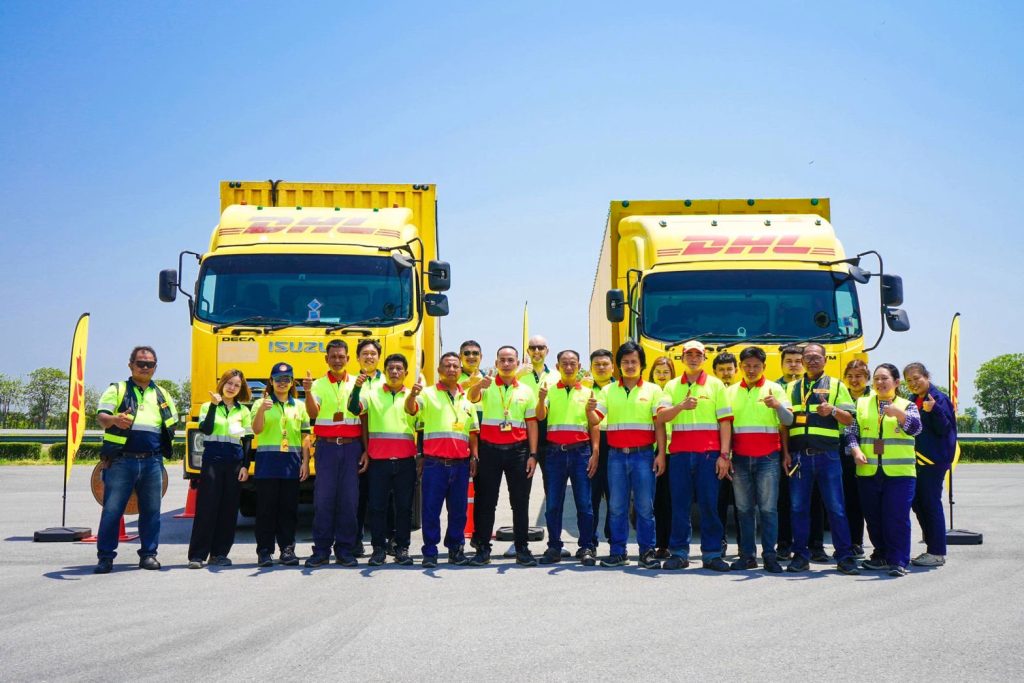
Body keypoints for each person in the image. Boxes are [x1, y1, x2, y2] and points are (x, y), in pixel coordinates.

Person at [93, 346, 179, 574]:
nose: (145, 367)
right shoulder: (117, 389)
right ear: (130, 365)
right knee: (112, 511)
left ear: (155, 367)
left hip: (152, 462)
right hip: (121, 461)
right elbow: (101, 417)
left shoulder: (162, 394)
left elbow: (172, 423)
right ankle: (105, 557)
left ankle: (149, 555)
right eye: (140, 363)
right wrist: (114, 419)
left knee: (152, 512)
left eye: (150, 364)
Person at [783, 343, 860, 575]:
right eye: (808, 357)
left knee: (836, 508)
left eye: (817, 357)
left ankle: (844, 556)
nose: (812, 360)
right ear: (802, 361)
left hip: (828, 456)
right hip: (799, 456)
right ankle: (800, 556)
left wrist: (834, 410)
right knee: (798, 508)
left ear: (826, 360)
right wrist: (785, 453)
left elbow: (850, 420)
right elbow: (784, 424)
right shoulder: (791, 387)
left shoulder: (837, 385)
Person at [655, 341, 733, 572]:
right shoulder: (672, 386)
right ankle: (679, 553)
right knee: (680, 506)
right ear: (681, 358)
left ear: (704, 358)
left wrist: (724, 455)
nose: (693, 358)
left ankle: (712, 554)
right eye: (688, 355)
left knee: (710, 505)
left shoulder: (715, 385)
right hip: (679, 455)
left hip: (708, 456)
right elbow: (661, 417)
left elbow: (725, 423)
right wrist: (680, 406)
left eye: (697, 355)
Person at [593, 341, 666, 569]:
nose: (630, 365)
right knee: (616, 507)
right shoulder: (608, 391)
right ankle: (618, 552)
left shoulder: (653, 390)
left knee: (645, 507)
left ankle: (647, 552)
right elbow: (595, 419)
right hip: (616, 456)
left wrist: (661, 454)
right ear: (619, 365)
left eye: (634, 361)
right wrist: (588, 410)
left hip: (643, 455)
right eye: (625, 362)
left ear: (642, 364)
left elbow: (660, 425)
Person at [846, 363, 923, 577]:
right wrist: (855, 450)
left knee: (896, 517)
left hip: (899, 474)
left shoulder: (907, 405)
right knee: (874, 518)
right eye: (877, 379)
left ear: (896, 382)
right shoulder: (862, 403)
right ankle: (880, 554)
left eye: (885, 378)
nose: (880, 383)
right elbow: (851, 431)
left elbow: (916, 429)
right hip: (868, 471)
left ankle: (898, 560)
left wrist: (899, 414)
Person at [405, 353, 480, 567]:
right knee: (431, 510)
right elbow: (411, 410)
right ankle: (430, 552)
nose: (452, 369)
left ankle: (456, 549)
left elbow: (473, 432)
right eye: (447, 366)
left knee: (458, 511)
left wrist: (474, 456)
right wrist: (412, 396)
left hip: (461, 464)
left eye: (455, 366)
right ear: (439, 370)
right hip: (435, 464)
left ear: (460, 370)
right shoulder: (427, 394)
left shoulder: (467, 399)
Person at [467, 346, 540, 566]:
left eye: (510, 360)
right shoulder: (487, 384)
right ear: (496, 363)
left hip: (518, 452)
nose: (506, 364)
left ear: (517, 363)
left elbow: (532, 424)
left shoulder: (526, 391)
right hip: (489, 451)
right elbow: (472, 397)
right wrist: (478, 385)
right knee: (486, 502)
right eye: (502, 360)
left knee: (520, 502)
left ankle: (522, 549)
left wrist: (533, 454)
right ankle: (483, 549)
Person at [726, 346, 793, 573]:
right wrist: (726, 455)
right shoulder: (730, 391)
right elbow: (724, 426)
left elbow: (788, 421)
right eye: (747, 365)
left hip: (768, 459)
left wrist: (777, 405)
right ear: (740, 367)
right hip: (740, 458)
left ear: (764, 367)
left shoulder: (776, 389)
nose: (751, 369)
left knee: (768, 510)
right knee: (744, 510)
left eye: (756, 366)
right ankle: (747, 556)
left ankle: (770, 556)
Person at [349, 353, 416, 567]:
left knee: (404, 508)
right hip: (379, 462)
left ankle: (402, 548)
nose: (395, 372)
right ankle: (378, 549)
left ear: (406, 372)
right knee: (377, 507)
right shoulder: (371, 394)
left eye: (399, 368)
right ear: (385, 372)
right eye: (391, 369)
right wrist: (356, 388)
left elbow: (422, 427)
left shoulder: (413, 397)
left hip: (406, 461)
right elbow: (353, 409)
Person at [535, 349, 602, 566]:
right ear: (557, 367)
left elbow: (594, 424)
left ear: (579, 366)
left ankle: (586, 546)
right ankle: (554, 546)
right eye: (564, 363)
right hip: (555, 453)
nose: (569, 367)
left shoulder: (588, 392)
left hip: (581, 452)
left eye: (573, 363)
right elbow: (540, 416)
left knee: (584, 503)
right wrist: (541, 399)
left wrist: (595, 452)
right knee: (553, 503)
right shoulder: (550, 391)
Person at [303, 339, 364, 568]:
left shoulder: (359, 383)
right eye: (333, 357)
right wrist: (307, 392)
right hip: (327, 448)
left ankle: (345, 550)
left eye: (341, 356)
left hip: (351, 447)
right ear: (326, 359)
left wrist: (365, 450)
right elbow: (313, 413)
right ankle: (321, 550)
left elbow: (363, 417)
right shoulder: (318, 385)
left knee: (349, 500)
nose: (337, 360)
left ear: (348, 358)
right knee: (324, 499)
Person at [187, 369, 253, 569]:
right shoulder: (208, 406)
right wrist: (214, 406)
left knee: (228, 509)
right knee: (207, 507)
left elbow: (247, 440)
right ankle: (197, 555)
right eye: (229, 383)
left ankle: (219, 554)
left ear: (241, 389)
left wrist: (245, 465)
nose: (232, 388)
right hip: (213, 460)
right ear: (222, 384)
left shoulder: (243, 411)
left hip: (234, 461)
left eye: (237, 385)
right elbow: (206, 429)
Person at [251, 362, 311, 568]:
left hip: (291, 464)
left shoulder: (300, 406)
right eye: (278, 379)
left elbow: (305, 436)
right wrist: (262, 410)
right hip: (267, 464)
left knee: (288, 510)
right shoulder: (261, 404)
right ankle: (264, 551)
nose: (282, 383)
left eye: (287, 379)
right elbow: (256, 430)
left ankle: (287, 549)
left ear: (292, 382)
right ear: (271, 381)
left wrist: (305, 462)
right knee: (266, 510)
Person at [905, 362, 957, 568]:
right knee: (918, 503)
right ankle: (931, 546)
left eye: (917, 378)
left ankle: (937, 552)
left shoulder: (938, 398)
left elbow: (944, 428)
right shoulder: (913, 400)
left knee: (930, 504)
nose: (913, 383)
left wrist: (934, 410)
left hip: (933, 462)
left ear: (927, 376)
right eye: (909, 380)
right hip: (917, 461)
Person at [352, 338, 384, 558]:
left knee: (383, 498)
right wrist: (365, 448)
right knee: (359, 496)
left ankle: (385, 542)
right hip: (358, 445)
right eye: (365, 354)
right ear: (357, 358)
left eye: (373, 354)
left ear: (379, 357)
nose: (369, 357)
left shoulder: (389, 381)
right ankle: (356, 540)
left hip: (383, 447)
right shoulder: (351, 383)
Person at [586, 348, 616, 553]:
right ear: (591, 367)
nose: (601, 368)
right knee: (591, 497)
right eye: (597, 364)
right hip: (589, 445)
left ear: (613, 367)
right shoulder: (584, 389)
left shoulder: (619, 389)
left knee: (615, 496)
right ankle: (590, 543)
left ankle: (615, 541)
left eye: (605, 364)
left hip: (614, 444)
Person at [840, 359, 871, 557]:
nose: (854, 380)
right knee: (850, 501)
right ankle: (854, 542)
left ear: (867, 378)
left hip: (869, 455)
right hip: (844, 456)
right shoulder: (841, 395)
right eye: (850, 376)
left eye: (858, 376)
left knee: (869, 501)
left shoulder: (875, 396)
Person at [713, 351, 742, 555]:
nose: (726, 373)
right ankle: (720, 541)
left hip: (740, 454)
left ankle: (743, 545)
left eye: (729, 369)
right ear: (715, 371)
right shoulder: (713, 391)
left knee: (742, 504)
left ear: (736, 370)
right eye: (721, 370)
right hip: (719, 455)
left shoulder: (740, 392)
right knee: (719, 502)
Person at [648, 356, 675, 559]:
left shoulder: (676, 391)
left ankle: (673, 543)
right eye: (658, 372)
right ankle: (660, 545)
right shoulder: (649, 392)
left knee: (673, 500)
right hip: (653, 452)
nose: (662, 376)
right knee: (657, 501)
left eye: (666, 372)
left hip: (674, 452)